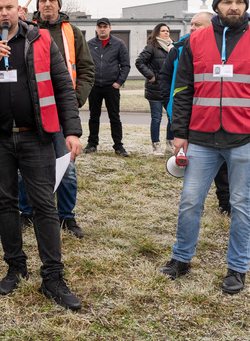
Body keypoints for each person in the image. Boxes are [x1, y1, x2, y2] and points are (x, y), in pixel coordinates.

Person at [0, 0, 83, 311]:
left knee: (44, 206)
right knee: (6, 205)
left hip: (36, 137)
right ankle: (16, 265)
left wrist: (72, 131)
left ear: (20, 10)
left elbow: (63, 85)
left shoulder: (40, 40)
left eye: (10, 7)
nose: (4, 13)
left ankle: (53, 276)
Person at [160, 0, 250, 294]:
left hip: (244, 141)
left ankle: (237, 268)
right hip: (201, 139)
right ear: (216, 7)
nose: (234, 7)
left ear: (245, 6)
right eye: (227, 2)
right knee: (190, 202)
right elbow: (182, 92)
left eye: (239, 2)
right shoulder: (196, 41)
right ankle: (181, 259)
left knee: (241, 204)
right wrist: (179, 133)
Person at [34, 0, 95, 239]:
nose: (47, 4)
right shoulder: (27, 31)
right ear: (37, 6)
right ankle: (27, 212)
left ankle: (66, 216)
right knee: (27, 168)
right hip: (32, 110)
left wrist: (75, 100)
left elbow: (86, 69)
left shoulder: (73, 32)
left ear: (59, 5)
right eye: (43, 0)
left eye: (51, 0)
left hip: (62, 111)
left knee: (67, 166)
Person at [159, 12, 230, 215]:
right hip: (184, 115)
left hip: (212, 116)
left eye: (197, 24)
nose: (192, 28)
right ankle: (191, 204)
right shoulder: (179, 48)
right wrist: (169, 105)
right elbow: (165, 78)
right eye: (191, 24)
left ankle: (225, 202)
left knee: (222, 162)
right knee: (190, 160)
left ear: (212, 27)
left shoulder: (222, 49)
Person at [85, 18, 130, 157]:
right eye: (100, 27)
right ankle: (92, 144)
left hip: (111, 87)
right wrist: (89, 81)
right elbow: (84, 64)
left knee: (114, 117)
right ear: (96, 28)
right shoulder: (89, 45)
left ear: (110, 28)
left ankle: (118, 146)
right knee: (93, 116)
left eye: (105, 26)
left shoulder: (118, 44)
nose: (102, 29)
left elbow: (126, 65)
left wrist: (119, 82)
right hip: (94, 87)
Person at [135, 23, 175, 156]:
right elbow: (139, 62)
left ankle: (170, 144)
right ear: (157, 33)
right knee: (156, 118)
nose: (166, 33)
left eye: (168, 31)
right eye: (163, 31)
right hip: (155, 89)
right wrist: (151, 76)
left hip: (169, 89)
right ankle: (156, 146)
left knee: (172, 117)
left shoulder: (172, 47)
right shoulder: (152, 47)